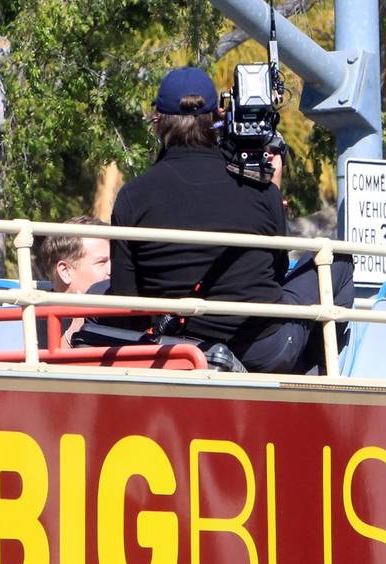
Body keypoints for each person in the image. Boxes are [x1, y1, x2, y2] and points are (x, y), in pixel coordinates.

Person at [108, 66, 353, 373]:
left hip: (177, 348)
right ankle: (308, 384)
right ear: (219, 117)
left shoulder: (133, 196)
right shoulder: (259, 188)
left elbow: (126, 298)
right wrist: (273, 189)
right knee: (338, 262)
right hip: (263, 348)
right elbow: (276, 272)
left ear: (158, 120)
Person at [35, 215, 111, 347]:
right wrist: (75, 331)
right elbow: (42, 365)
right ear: (65, 271)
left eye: (114, 260)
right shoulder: (36, 318)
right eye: (101, 262)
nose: (112, 269)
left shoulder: (125, 304)